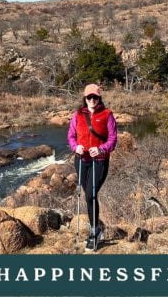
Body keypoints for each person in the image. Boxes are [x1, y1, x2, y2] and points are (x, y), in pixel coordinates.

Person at [67, 84, 117, 249]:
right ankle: (96, 227)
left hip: (99, 161)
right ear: (85, 98)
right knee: (88, 196)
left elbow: (112, 139)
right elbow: (71, 136)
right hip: (81, 160)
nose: (92, 100)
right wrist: (76, 147)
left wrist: (101, 148)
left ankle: (95, 231)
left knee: (90, 195)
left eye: (95, 97)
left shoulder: (107, 114)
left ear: (99, 98)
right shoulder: (78, 115)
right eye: (89, 97)